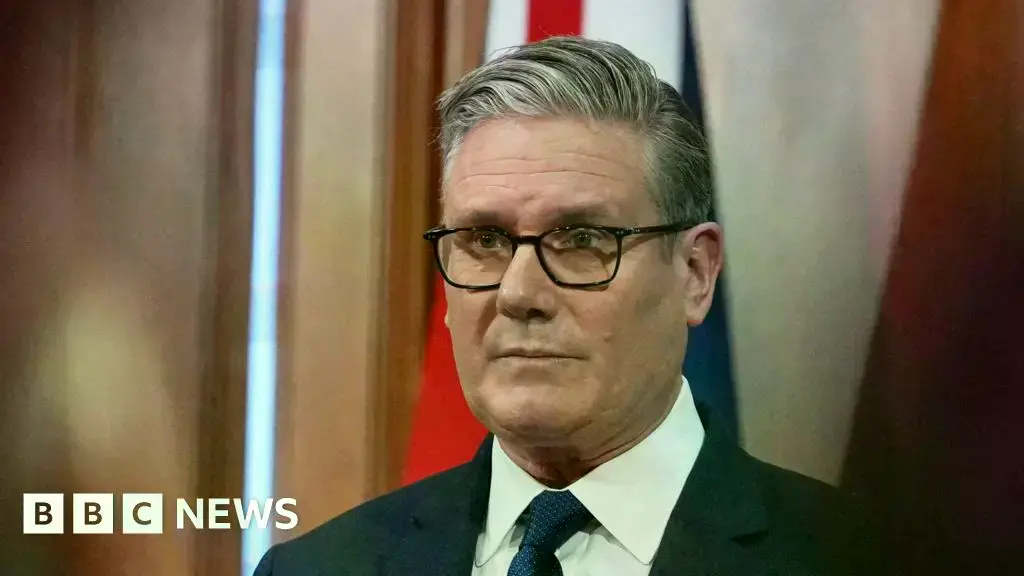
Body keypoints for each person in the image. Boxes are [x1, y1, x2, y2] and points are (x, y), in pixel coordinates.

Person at [255, 36, 881, 575]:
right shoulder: (318, 567)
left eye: (582, 240)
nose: (519, 295)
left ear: (694, 273)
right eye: (485, 241)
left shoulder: (870, 557)